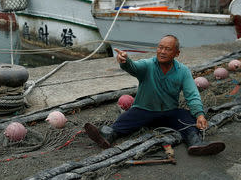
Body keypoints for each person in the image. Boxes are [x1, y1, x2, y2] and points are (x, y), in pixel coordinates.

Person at [84, 35, 226, 156]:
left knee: (188, 119)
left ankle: (196, 144)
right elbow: (133, 67)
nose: (162, 51)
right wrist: (125, 61)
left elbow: (192, 95)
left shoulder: (183, 71)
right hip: (144, 110)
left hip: (170, 112)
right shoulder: (148, 65)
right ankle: (106, 136)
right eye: (160, 47)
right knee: (124, 120)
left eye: (167, 49)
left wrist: (200, 115)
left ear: (177, 53)